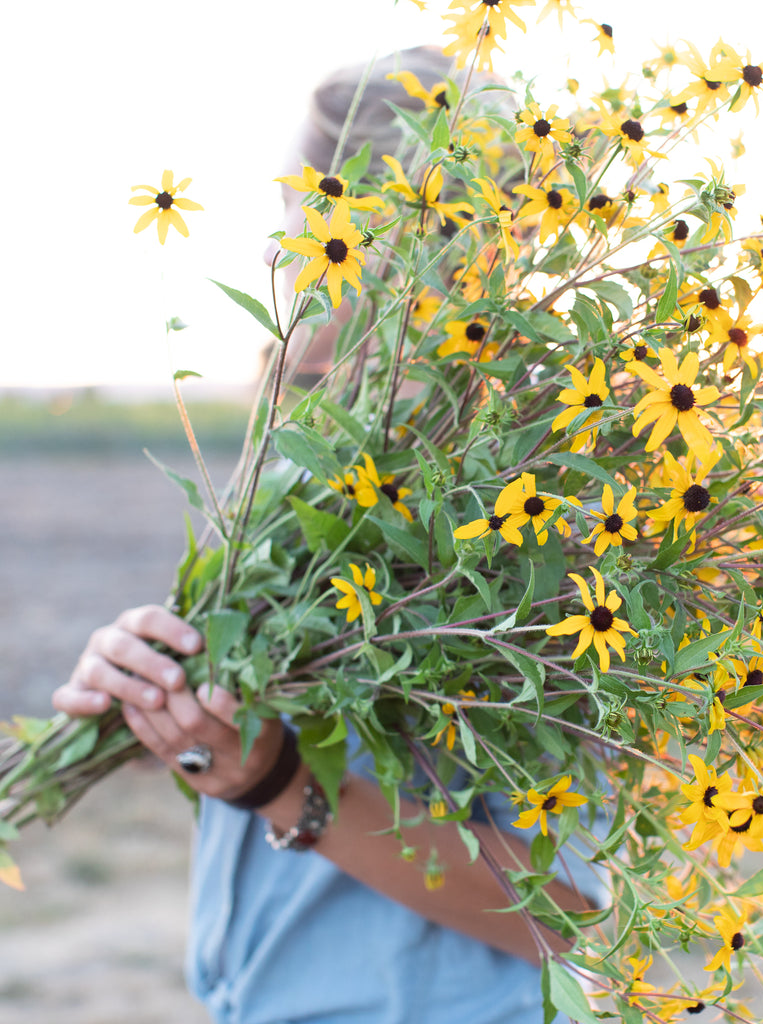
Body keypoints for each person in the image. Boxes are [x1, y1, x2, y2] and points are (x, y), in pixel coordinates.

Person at [52, 48, 602, 1024]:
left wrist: (278, 784)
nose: (279, 252)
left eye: (316, 216)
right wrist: (152, 698)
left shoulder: (541, 512)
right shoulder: (305, 462)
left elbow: (560, 912)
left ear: (434, 245)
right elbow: (252, 725)